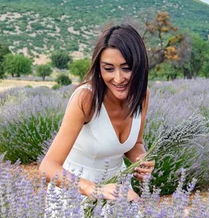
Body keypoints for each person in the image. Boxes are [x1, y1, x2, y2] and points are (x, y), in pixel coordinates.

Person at [39, 24, 154, 202]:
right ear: (99, 68)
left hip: (117, 191)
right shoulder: (86, 99)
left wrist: (142, 160)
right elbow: (48, 166)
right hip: (75, 194)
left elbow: (134, 144)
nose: (118, 78)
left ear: (138, 66)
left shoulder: (142, 95)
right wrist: (93, 189)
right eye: (108, 69)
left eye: (126, 68)